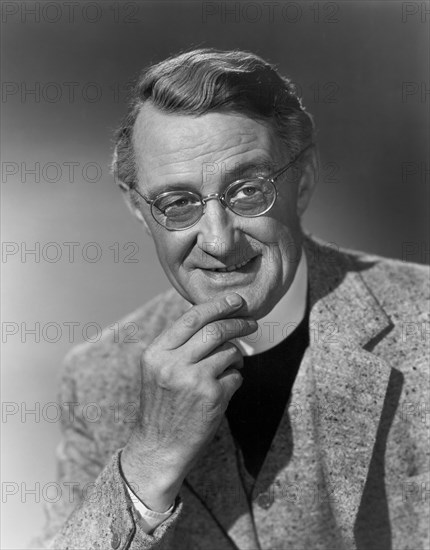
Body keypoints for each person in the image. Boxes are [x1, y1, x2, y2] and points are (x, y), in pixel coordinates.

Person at [36, 49, 429, 550]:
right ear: (138, 209)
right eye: (178, 204)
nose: (220, 241)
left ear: (303, 181)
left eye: (248, 191)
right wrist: (151, 457)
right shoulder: (98, 377)